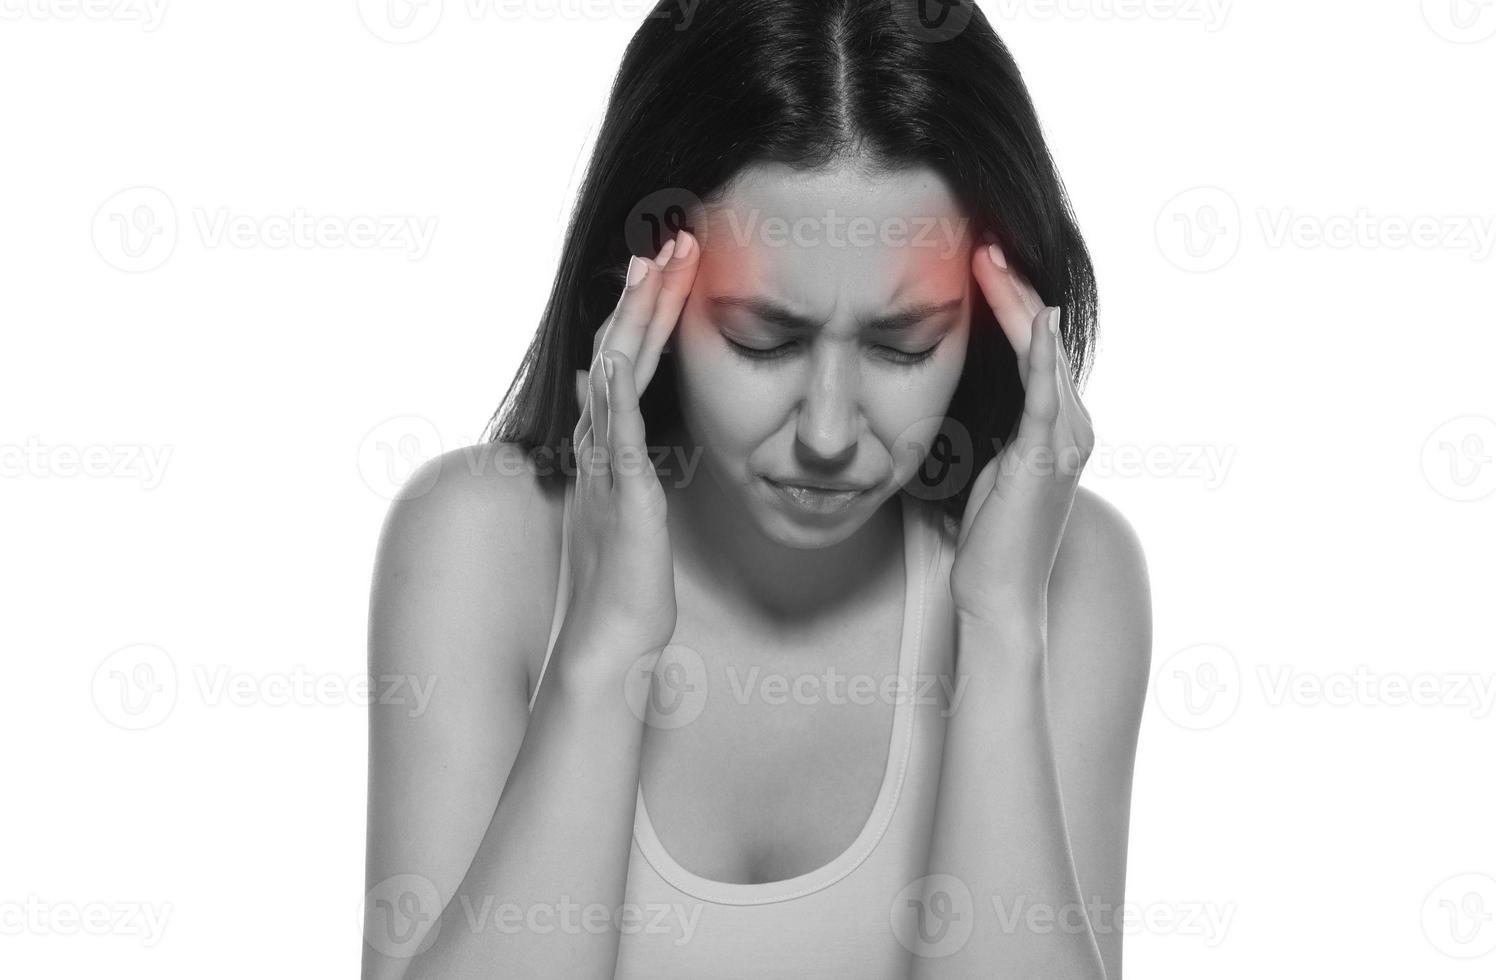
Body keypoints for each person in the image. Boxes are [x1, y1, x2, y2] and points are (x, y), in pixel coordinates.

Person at [362, 1, 1151, 976]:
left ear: (995, 321)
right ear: (644, 291)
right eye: (762, 338)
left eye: (902, 344)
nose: (827, 431)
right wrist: (604, 648)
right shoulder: (477, 547)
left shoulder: (1071, 575)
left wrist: (996, 627)